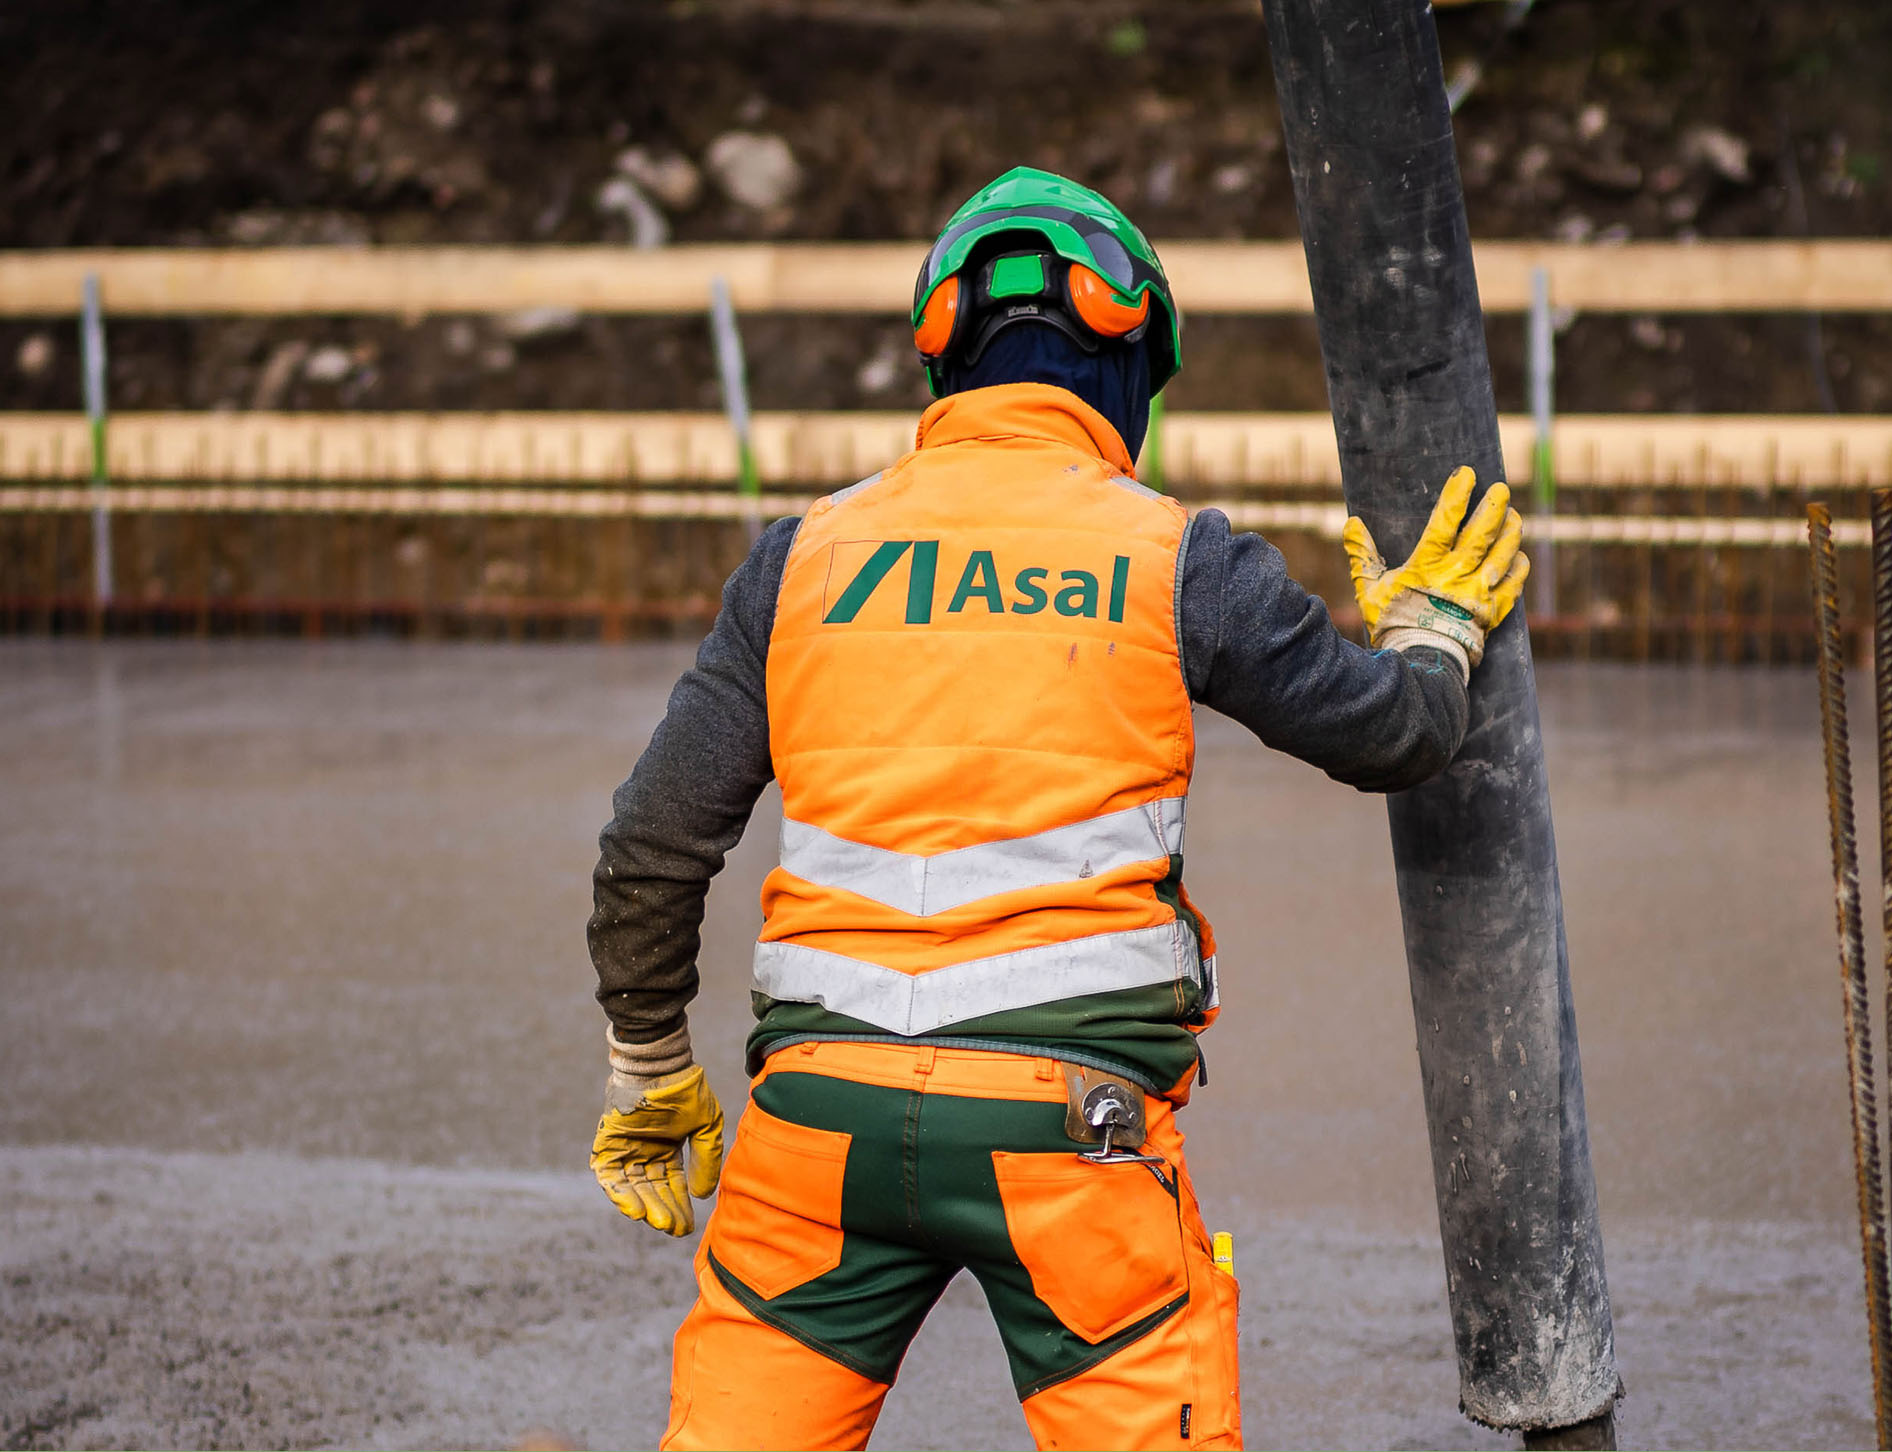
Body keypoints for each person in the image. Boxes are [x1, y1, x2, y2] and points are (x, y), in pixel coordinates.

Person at [586, 165, 1527, 1452]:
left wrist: (649, 1063)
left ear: (941, 354)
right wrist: (1430, 633)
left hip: (816, 1125)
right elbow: (1394, 736)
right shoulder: (1175, 554)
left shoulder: (798, 560)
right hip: (1063, 1137)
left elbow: (651, 843)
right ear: (1131, 348)